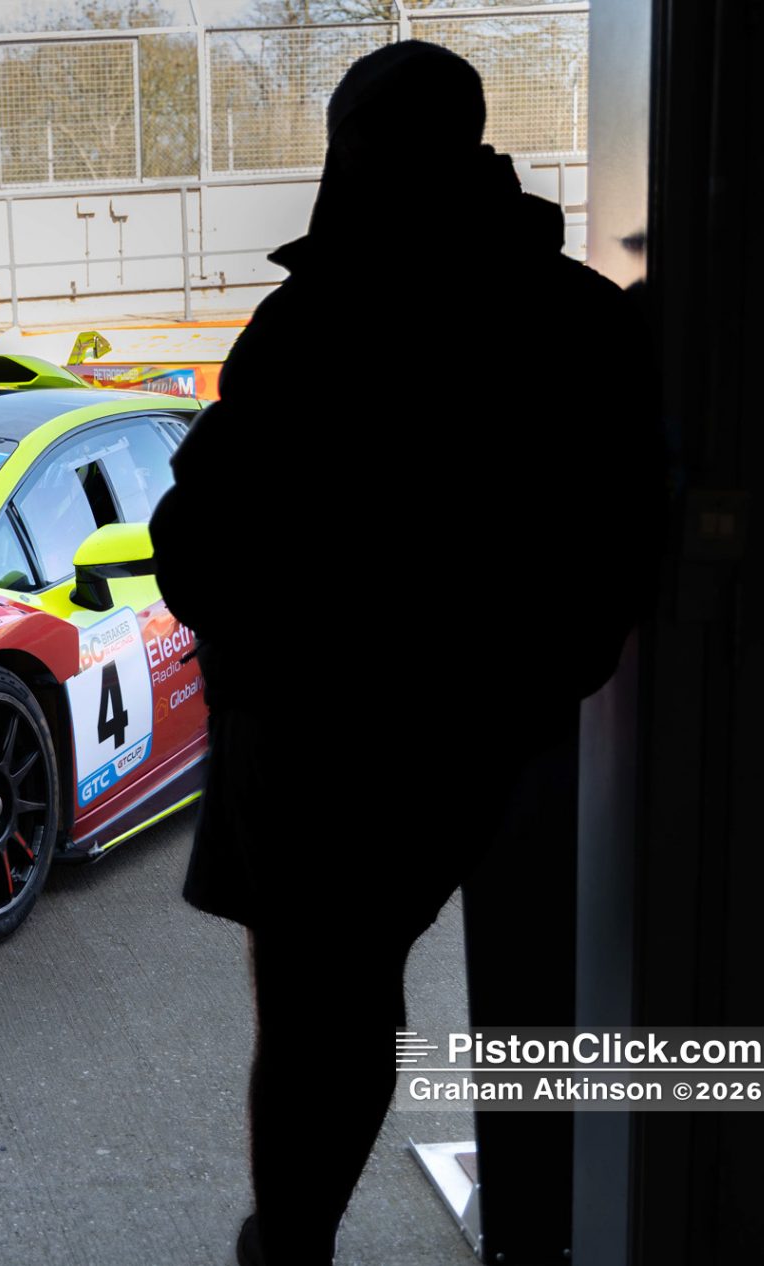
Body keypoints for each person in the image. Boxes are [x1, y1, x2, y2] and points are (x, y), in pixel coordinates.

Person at [148, 42, 659, 1266]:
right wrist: (537, 677)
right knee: (362, 980)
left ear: (357, 146)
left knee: (321, 1003)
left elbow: (206, 532)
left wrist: (249, 647)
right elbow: (619, 530)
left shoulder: (320, 320)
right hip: (488, 722)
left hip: (319, 724)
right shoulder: (579, 319)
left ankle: (293, 1243)